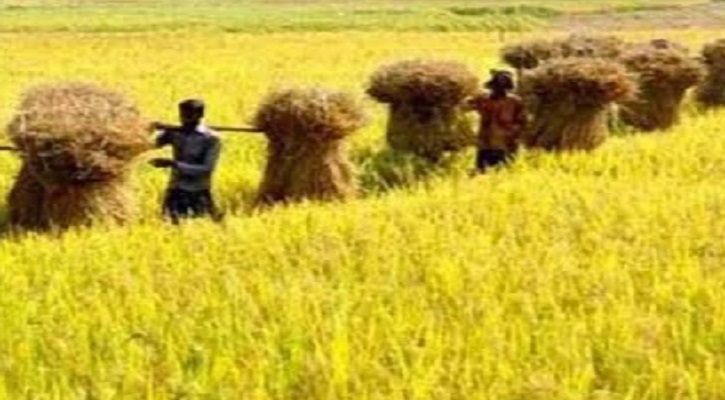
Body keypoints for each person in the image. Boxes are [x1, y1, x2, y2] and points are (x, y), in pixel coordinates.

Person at [150, 99, 222, 224]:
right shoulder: (174, 133)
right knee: (169, 225)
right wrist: (148, 130)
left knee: (205, 226)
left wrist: (173, 164)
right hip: (175, 188)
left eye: (189, 116)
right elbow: (149, 145)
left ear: (200, 115)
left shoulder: (211, 139)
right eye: (182, 116)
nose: (184, 120)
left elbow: (206, 169)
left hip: (198, 191)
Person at [467, 70, 526, 174]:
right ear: (492, 87)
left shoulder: (514, 102)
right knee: (481, 171)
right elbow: (465, 105)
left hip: (504, 144)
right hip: (485, 143)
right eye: (496, 87)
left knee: (502, 172)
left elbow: (522, 122)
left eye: (503, 88)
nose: (499, 90)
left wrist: (512, 133)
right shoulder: (483, 99)